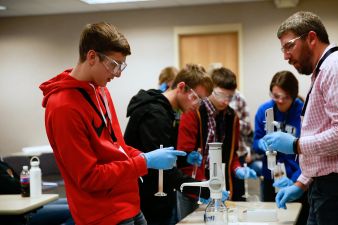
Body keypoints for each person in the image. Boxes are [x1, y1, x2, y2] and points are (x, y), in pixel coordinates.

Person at [39, 22, 185, 225]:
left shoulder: (101, 91)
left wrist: (143, 156)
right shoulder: (63, 107)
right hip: (102, 215)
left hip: (129, 204)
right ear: (91, 57)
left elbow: (118, 148)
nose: (118, 73)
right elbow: (89, 177)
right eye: (114, 64)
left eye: (121, 65)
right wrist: (145, 162)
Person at [262, 12, 338, 225]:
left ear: (311, 38)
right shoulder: (323, 71)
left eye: (289, 46)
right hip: (325, 189)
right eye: (283, 49)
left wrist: (296, 145)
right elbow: (326, 139)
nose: (285, 56)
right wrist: (301, 183)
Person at [124, 64, 215, 225]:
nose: (197, 105)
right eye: (195, 97)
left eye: (201, 101)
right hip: (146, 200)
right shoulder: (155, 115)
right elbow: (160, 171)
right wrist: (204, 188)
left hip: (158, 194)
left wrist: (184, 158)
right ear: (181, 87)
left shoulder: (167, 112)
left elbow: (162, 158)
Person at [177, 67, 257, 203]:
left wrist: (237, 168)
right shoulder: (193, 112)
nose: (225, 101)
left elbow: (232, 154)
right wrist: (201, 189)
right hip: (195, 186)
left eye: (230, 97)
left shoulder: (233, 117)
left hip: (221, 184)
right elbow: (184, 156)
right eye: (220, 95)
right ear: (210, 90)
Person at [253, 70, 308, 225]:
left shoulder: (303, 112)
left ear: (294, 95)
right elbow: (255, 143)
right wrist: (260, 144)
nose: (280, 101)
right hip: (271, 179)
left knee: (298, 219)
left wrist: (296, 180)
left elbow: (309, 152)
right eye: (276, 96)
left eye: (285, 97)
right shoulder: (264, 111)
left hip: (297, 179)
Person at [0, 160, 74, 225]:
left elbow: (20, 182)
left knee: (73, 203)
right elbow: (17, 187)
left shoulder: (2, 164)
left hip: (27, 203)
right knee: (74, 212)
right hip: (21, 215)